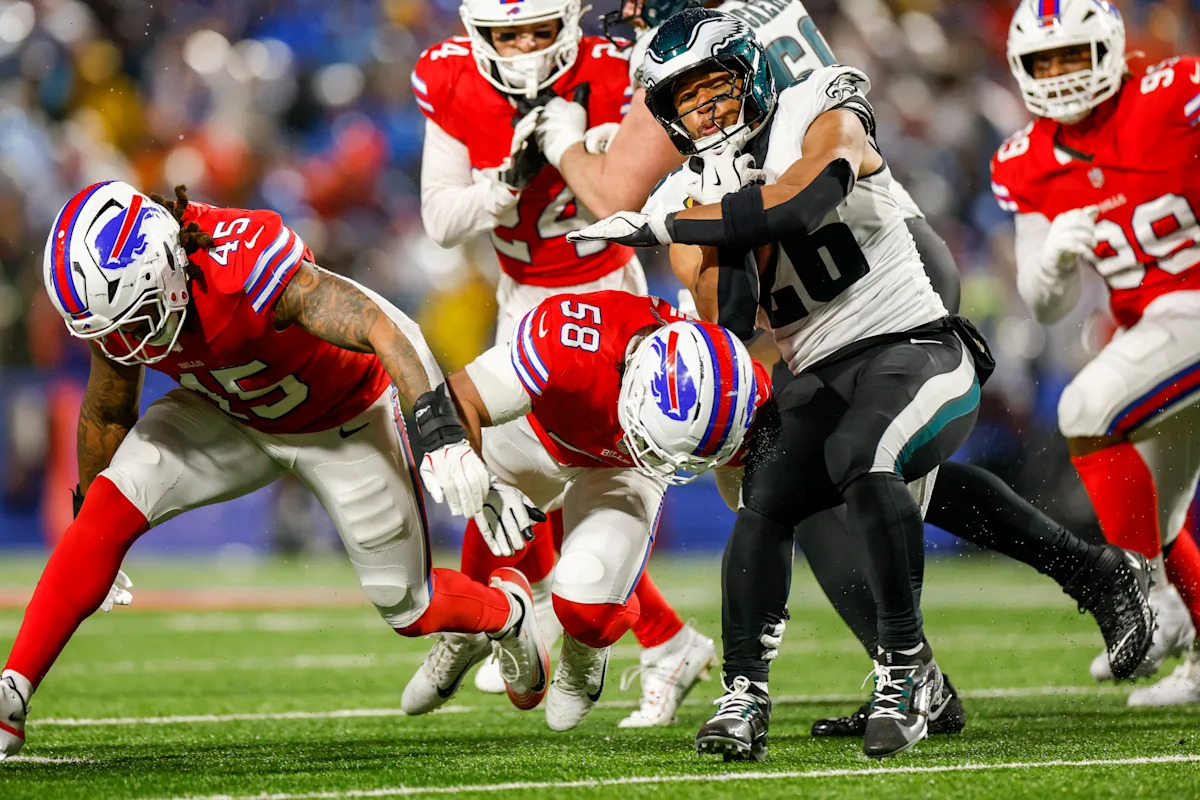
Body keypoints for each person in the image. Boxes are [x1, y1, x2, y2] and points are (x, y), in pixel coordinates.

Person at [549, 0, 1158, 740]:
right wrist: (708, 229)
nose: (706, 109)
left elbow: (805, 200)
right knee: (781, 486)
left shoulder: (814, 101)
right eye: (687, 100)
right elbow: (729, 322)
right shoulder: (685, 189)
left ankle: (910, 669)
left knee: (864, 459)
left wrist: (675, 217)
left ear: (748, 72)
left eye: (716, 87)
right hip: (818, 354)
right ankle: (762, 693)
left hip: (905, 315)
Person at [0, 182, 552, 761]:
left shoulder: (242, 262)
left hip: (342, 420)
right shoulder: (125, 306)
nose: (126, 341)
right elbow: (109, 407)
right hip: (225, 411)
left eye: (136, 321)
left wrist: (437, 432)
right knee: (104, 509)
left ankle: (506, 613)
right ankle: (12, 694)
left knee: (409, 606)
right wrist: (94, 530)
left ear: (166, 269)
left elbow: (380, 327)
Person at [411, 0, 716, 727]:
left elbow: (661, 182)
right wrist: (505, 185)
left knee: (577, 478)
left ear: (570, 22)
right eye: (506, 34)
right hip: (523, 303)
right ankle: (641, 636)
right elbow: (441, 220)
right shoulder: (450, 76)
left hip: (610, 300)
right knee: (502, 481)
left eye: (539, 30)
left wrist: (591, 149)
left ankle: (562, 626)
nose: (523, 46)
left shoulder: (615, 70)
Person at [400, 290, 766, 731]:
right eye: (657, 441)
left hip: (626, 469)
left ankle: (584, 652)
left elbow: (743, 499)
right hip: (539, 433)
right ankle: (467, 634)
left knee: (588, 602)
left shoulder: (734, 394)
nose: (666, 457)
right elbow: (458, 398)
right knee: (485, 522)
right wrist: (484, 483)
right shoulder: (569, 342)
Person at [991, 0, 1200, 706]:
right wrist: (1052, 261)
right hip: (1157, 329)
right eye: (1042, 61)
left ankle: (1143, 597)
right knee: (1159, 516)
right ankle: (1180, 625)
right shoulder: (1025, 162)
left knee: (1086, 405)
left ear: (1108, 49)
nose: (1058, 74)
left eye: (1071, 56)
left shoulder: (1174, 95)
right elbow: (1044, 303)